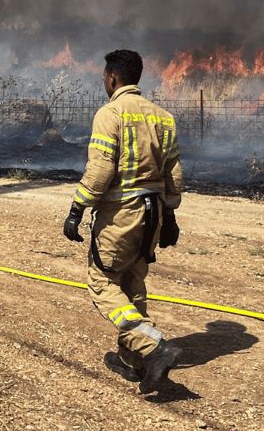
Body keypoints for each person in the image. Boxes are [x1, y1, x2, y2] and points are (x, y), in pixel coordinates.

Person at [62, 49, 184, 393]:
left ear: (112, 78)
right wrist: (170, 214)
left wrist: (78, 207)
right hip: (154, 213)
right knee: (133, 281)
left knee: (102, 282)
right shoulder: (163, 117)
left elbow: (101, 168)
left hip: (122, 214)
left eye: (104, 76)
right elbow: (174, 171)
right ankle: (134, 361)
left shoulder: (110, 113)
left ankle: (153, 346)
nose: (104, 81)